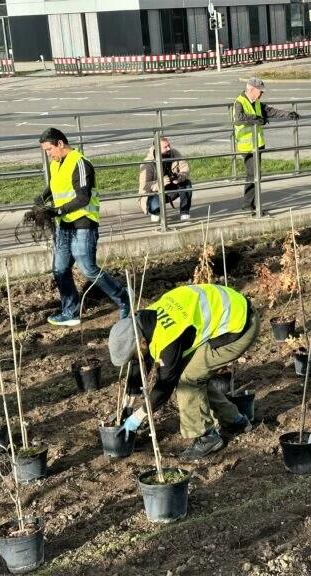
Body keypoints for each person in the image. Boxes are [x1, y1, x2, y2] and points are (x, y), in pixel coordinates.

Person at [108, 284, 259, 461]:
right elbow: (141, 360)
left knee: (188, 379)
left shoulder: (168, 338)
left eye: (133, 355)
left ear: (142, 342)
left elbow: (165, 387)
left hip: (240, 326)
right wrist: (128, 402)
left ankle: (207, 437)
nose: (135, 359)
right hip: (230, 310)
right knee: (195, 374)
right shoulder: (143, 319)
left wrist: (137, 417)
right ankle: (234, 421)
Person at [35, 128, 130, 326]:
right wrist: (43, 197)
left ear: (60, 144)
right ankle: (70, 312)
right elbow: (55, 186)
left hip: (83, 223)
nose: (48, 154)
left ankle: (124, 298)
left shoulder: (80, 163)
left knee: (88, 268)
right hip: (64, 225)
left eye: (49, 149)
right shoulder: (56, 164)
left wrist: (57, 211)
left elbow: (83, 198)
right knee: (60, 269)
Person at [233, 77, 299, 214]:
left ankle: (252, 205)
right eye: (260, 91)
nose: (262, 94)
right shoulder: (240, 101)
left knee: (255, 175)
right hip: (247, 146)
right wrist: (256, 119)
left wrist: (288, 114)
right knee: (253, 175)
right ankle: (249, 205)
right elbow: (239, 118)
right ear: (251, 89)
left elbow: (271, 111)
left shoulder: (257, 102)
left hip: (257, 144)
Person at [138, 137, 193, 223]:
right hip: (154, 193)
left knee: (187, 184)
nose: (169, 148)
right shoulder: (147, 164)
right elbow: (144, 186)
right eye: (165, 147)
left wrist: (180, 176)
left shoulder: (174, 153)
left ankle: (184, 213)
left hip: (171, 188)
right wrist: (160, 183)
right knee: (155, 208)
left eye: (169, 145)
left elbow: (185, 168)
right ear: (157, 148)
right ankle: (156, 212)